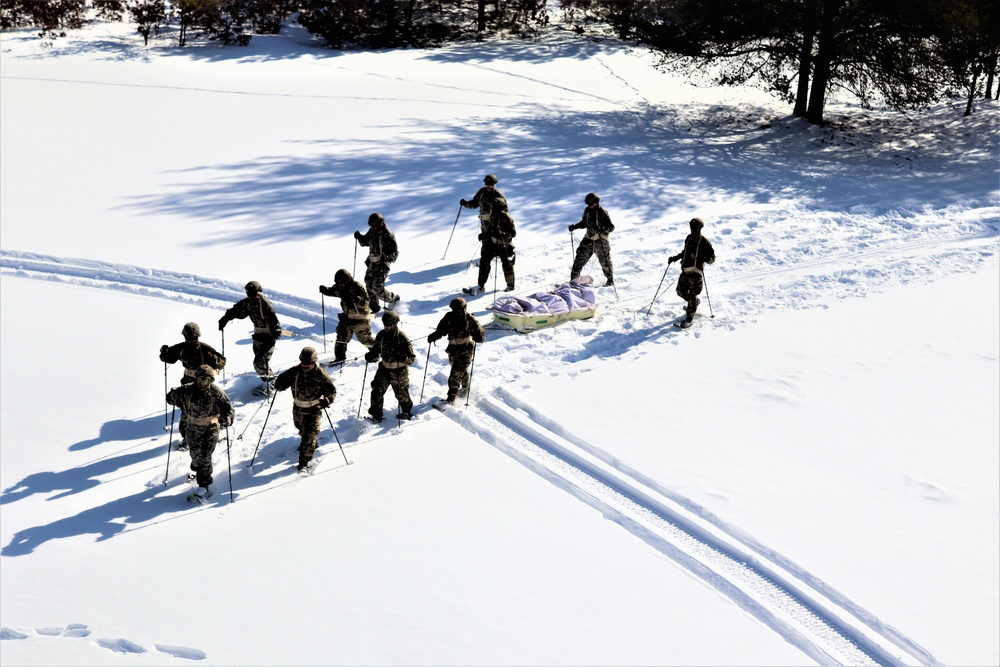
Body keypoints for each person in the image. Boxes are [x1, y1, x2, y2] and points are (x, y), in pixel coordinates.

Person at [165, 365, 234, 502]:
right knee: (195, 456)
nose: (204, 383)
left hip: (211, 428)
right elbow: (171, 399)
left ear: (211, 380)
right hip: (192, 428)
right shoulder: (187, 390)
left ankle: (203, 486)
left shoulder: (216, 392)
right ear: (196, 378)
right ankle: (197, 467)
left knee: (205, 456)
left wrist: (228, 418)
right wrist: (172, 395)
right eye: (201, 379)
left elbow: (228, 408)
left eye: (207, 380)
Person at [159, 322, 226, 451]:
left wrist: (213, 361)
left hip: (203, 385)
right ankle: (189, 438)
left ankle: (211, 431)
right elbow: (168, 358)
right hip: (190, 385)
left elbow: (222, 362)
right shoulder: (183, 348)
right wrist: (164, 352)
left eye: (193, 338)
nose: (190, 341)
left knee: (204, 410)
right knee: (188, 412)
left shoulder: (203, 349)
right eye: (189, 338)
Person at [274, 347, 337, 473]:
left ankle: (305, 463)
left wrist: (326, 400)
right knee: (301, 429)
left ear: (314, 362)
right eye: (303, 363)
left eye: (308, 363)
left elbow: (332, 391)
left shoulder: (320, 374)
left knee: (309, 434)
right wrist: (279, 384)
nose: (305, 366)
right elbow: (281, 385)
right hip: (298, 408)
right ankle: (311, 443)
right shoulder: (294, 372)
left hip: (314, 409)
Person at [218, 281, 282, 389]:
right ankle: (268, 381)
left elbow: (276, 327)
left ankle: (272, 384)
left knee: (259, 362)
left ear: (259, 292)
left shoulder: (265, 305)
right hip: (258, 336)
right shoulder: (249, 302)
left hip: (268, 337)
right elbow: (237, 309)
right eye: (249, 294)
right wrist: (225, 318)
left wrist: (270, 342)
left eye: (254, 294)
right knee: (258, 363)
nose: (252, 297)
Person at [426, 297, 486, 405]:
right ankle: (465, 387)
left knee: (455, 373)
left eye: (459, 309)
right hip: (453, 350)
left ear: (464, 308)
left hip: (466, 349)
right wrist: (434, 336)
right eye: (454, 309)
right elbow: (441, 331)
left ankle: (450, 399)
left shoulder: (469, 319)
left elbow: (480, 335)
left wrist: (478, 336)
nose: (456, 312)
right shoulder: (449, 317)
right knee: (460, 371)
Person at [364, 310, 416, 422]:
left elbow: (411, 359)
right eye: (385, 324)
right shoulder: (381, 335)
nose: (386, 327)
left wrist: (402, 358)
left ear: (395, 323)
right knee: (376, 390)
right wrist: (371, 355)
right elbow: (377, 349)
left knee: (401, 394)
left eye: (389, 325)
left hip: (399, 371)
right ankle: (376, 415)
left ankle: (406, 411)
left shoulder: (402, 338)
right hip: (383, 369)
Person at [319, 269, 376, 364]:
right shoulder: (340, 286)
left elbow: (366, 302)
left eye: (342, 283)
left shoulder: (357, 287)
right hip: (347, 318)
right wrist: (326, 290)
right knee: (341, 337)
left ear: (348, 280)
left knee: (365, 339)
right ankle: (340, 357)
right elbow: (334, 291)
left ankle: (378, 351)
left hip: (360, 319)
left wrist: (355, 298)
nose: (340, 285)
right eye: (338, 283)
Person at [668, 217, 716, 326]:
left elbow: (712, 258)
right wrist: (675, 258)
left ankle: (689, 320)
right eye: (691, 227)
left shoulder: (704, 241)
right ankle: (693, 303)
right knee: (680, 291)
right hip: (685, 270)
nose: (693, 229)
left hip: (696, 272)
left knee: (694, 294)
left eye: (695, 227)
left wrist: (706, 259)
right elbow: (685, 252)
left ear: (700, 228)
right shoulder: (688, 238)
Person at [467, 196, 516, 294]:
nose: (493, 209)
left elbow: (513, 234)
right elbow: (488, 229)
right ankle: (481, 285)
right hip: (490, 243)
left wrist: (502, 234)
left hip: (504, 244)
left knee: (507, 264)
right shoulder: (490, 216)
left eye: (496, 207)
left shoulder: (506, 218)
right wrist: (483, 235)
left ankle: (510, 286)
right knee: (484, 263)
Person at [354, 212, 400, 314]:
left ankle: (394, 299)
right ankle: (375, 308)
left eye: (375, 226)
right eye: (372, 226)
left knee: (377, 287)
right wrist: (359, 237)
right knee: (368, 284)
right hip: (372, 263)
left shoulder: (388, 234)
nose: (373, 228)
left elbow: (395, 253)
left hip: (383, 264)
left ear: (380, 223)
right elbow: (365, 242)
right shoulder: (373, 230)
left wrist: (386, 257)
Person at [569, 192, 615, 286]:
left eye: (591, 204)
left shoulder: (602, 212)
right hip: (588, 239)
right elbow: (584, 223)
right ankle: (574, 281)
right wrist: (575, 226)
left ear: (596, 203)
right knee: (579, 258)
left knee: (605, 262)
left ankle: (610, 280)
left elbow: (611, 227)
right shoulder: (587, 210)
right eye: (588, 204)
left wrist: (601, 229)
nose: (589, 206)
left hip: (600, 240)